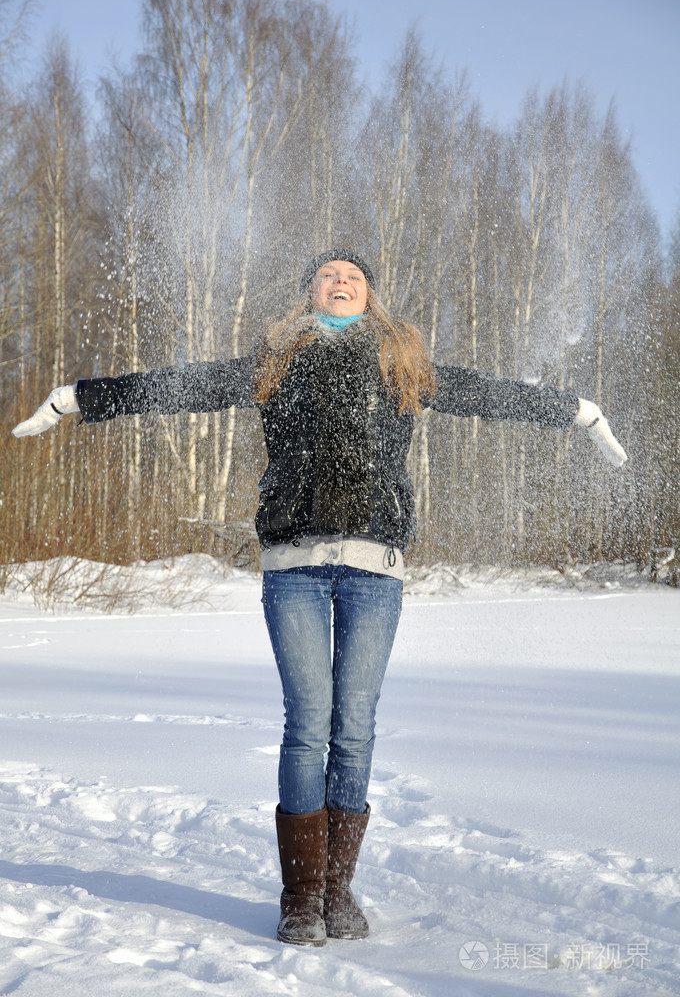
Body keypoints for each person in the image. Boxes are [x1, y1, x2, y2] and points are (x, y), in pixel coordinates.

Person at [12, 247, 627, 947]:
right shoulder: (274, 361)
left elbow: (488, 393)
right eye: (329, 275)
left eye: (354, 277)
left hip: (375, 569)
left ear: (370, 297)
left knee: (355, 726)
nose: (341, 282)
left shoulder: (403, 365)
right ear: (309, 293)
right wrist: (78, 399)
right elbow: (182, 386)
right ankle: (300, 898)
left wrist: (578, 411)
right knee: (308, 725)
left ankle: (340, 892)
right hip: (294, 565)